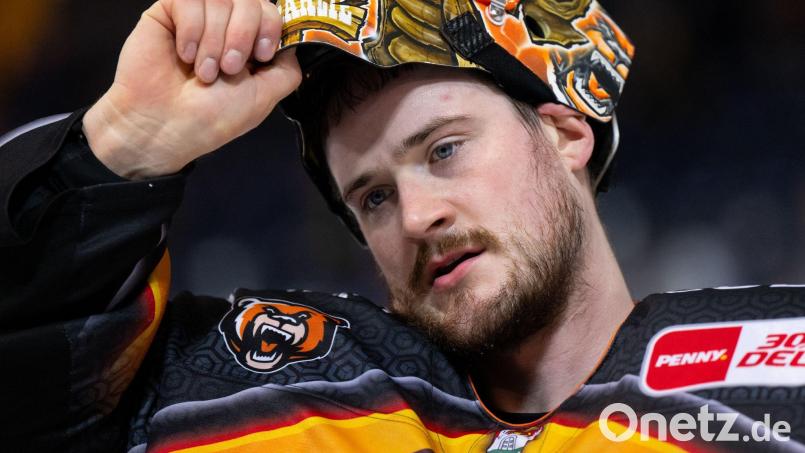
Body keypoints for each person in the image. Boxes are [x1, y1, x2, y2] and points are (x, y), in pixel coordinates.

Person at [1, 0, 804, 451]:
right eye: (373, 197)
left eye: (445, 148)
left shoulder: (778, 369)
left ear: (564, 133)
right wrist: (122, 148)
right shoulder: (281, 393)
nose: (418, 215)